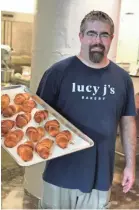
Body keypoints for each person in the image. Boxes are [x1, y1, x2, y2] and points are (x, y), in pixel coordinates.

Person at [36, 10, 137, 209]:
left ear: (111, 39)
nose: (97, 40)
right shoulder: (57, 73)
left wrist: (130, 166)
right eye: (91, 33)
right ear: (81, 36)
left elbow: (128, 123)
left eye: (104, 34)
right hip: (60, 174)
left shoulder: (123, 79)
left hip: (100, 177)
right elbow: (37, 118)